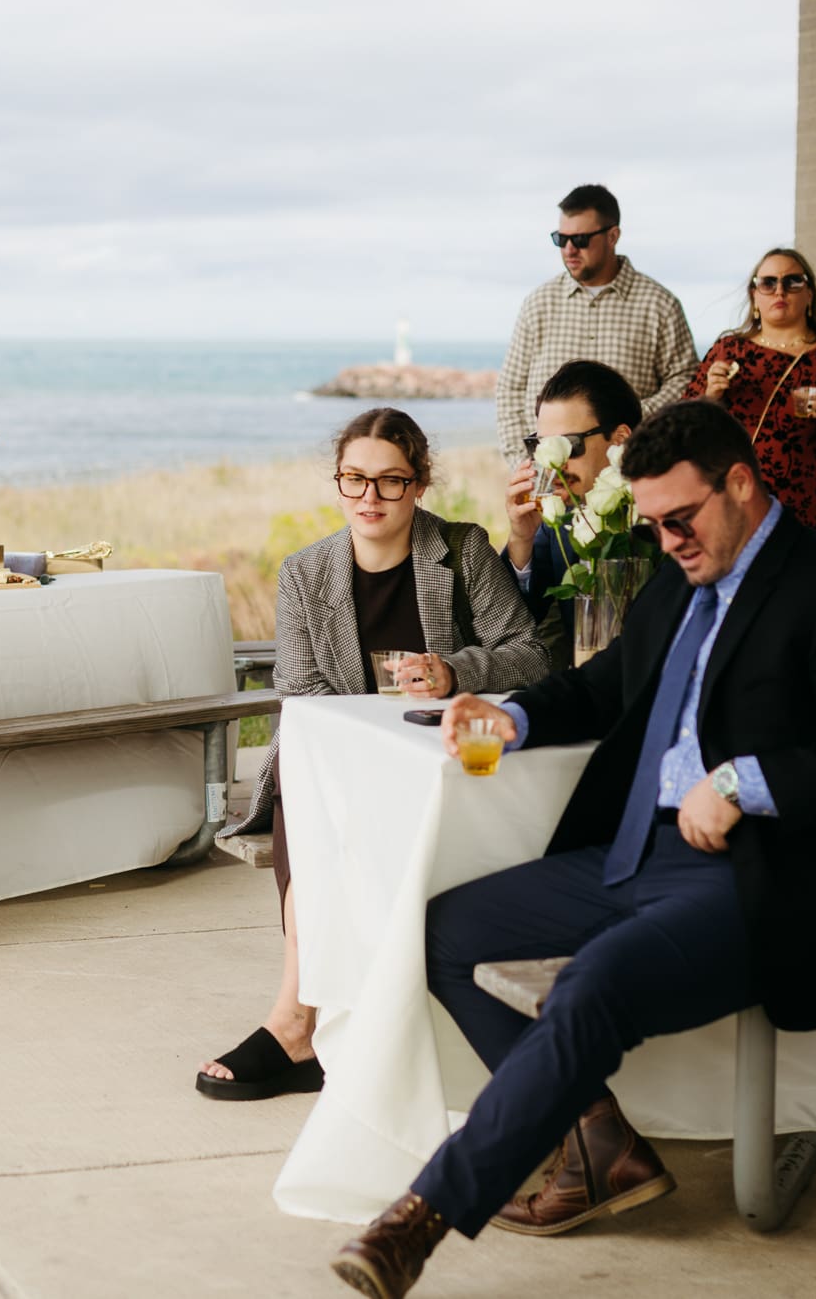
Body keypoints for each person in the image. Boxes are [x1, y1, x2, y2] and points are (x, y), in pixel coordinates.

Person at [328, 401, 816, 1298]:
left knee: (592, 987)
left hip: (761, 876)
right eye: (651, 523)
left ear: (740, 483)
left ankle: (420, 1215)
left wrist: (739, 784)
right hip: (630, 854)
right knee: (436, 933)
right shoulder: (676, 581)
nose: (667, 540)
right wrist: (517, 712)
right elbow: (605, 683)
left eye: (679, 519)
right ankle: (598, 1139)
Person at [198, 408, 552, 1101]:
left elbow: (531, 654)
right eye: (354, 479)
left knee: (316, 798)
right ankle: (296, 1015)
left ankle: (298, 1026)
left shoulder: (462, 550)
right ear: (338, 481)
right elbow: (299, 693)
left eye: (390, 481)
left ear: (419, 483)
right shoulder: (306, 573)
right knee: (306, 790)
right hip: (347, 765)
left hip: (446, 763)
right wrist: (362, 746)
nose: (369, 497)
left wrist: (453, 670)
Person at [684, 247, 816, 541]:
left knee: (810, 587)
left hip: (813, 509)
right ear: (754, 296)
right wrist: (710, 397)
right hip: (738, 500)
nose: (780, 290)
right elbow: (683, 424)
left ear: (810, 294)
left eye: (793, 281)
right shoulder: (728, 351)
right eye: (768, 282)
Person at [492, 184, 697, 468]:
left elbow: (686, 381)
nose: (569, 250)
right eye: (561, 239)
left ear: (613, 236)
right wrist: (523, 465)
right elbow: (510, 390)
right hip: (550, 483)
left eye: (581, 239)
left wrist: (632, 418)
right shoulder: (538, 303)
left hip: (631, 477)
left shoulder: (659, 305)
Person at [501, 360, 644, 664]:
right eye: (541, 446)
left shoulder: (666, 517)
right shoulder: (556, 521)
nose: (555, 464)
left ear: (620, 439)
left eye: (568, 445)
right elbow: (515, 621)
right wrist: (521, 538)